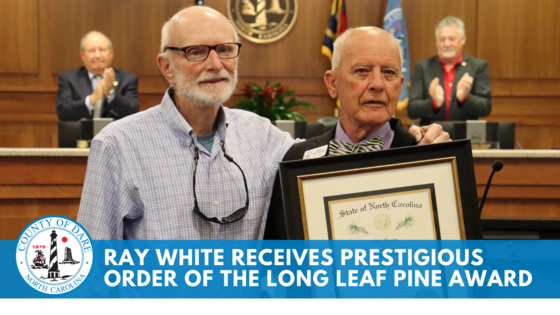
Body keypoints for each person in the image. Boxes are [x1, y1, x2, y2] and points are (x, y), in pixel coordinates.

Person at [77, 6, 446, 240]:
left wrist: (418, 141)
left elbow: (342, 163)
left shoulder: (269, 141)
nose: (214, 63)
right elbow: (92, 270)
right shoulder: (118, 146)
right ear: (165, 66)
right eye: (196, 51)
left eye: (224, 49)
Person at [264, 27, 449, 239]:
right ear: (333, 84)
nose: (378, 84)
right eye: (362, 70)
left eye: (389, 72)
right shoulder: (296, 160)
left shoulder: (430, 156)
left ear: (399, 87)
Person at [407, 16, 491, 126]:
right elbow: (411, 111)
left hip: (464, 136)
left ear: (463, 39)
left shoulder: (478, 66)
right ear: (437, 42)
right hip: (432, 138)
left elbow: (485, 109)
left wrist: (465, 98)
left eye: (452, 39)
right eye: (442, 40)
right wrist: (433, 103)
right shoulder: (423, 67)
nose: (447, 44)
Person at [56, 31, 140, 121]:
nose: (97, 55)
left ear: (111, 53)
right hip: (80, 134)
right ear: (82, 55)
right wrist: (92, 99)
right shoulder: (69, 78)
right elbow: (63, 113)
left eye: (102, 50)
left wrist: (111, 94)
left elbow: (133, 112)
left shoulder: (128, 79)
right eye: (91, 51)